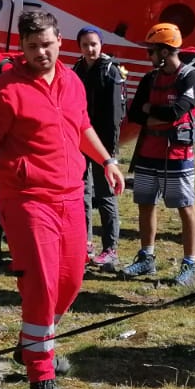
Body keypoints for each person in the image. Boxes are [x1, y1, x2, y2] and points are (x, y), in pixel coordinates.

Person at [0, 10, 125, 389]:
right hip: (27, 197)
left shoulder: (72, 81)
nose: (42, 52)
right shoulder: (4, 90)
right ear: (22, 47)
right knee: (42, 282)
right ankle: (40, 372)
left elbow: (82, 127)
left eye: (48, 44)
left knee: (70, 282)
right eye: (33, 46)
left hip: (72, 195)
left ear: (60, 42)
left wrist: (107, 161)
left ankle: (32, 344)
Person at [120, 23, 195, 286]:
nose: (148, 55)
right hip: (147, 152)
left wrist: (150, 112)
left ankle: (190, 263)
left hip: (176, 154)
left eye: (151, 50)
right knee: (145, 203)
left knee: (184, 207)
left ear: (165, 51)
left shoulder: (190, 77)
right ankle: (146, 257)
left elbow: (176, 112)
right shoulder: (150, 78)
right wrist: (155, 115)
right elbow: (134, 114)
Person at [73, 27, 126, 269]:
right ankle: (85, 242)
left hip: (103, 145)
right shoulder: (78, 70)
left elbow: (115, 116)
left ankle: (110, 248)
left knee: (105, 195)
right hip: (79, 142)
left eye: (94, 44)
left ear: (101, 45)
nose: (90, 49)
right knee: (82, 193)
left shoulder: (110, 72)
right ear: (79, 47)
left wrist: (111, 154)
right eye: (85, 45)